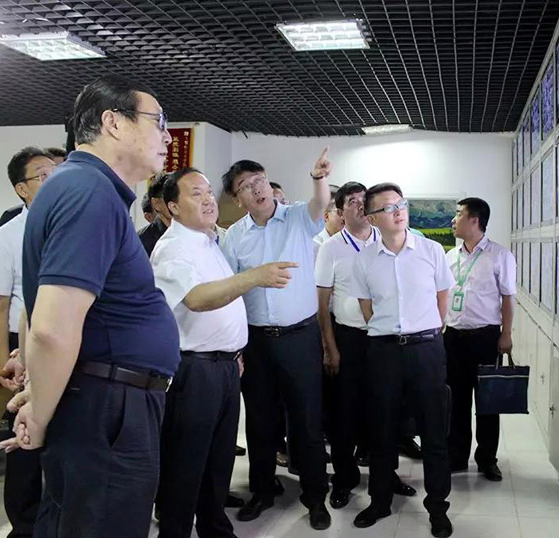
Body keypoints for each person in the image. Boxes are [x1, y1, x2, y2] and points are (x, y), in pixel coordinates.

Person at [0, 75, 180, 538]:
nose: (167, 136)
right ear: (113, 122)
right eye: (158, 121)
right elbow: (52, 327)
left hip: (101, 399)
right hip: (109, 408)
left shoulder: (81, 188)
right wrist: (40, 414)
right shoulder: (89, 191)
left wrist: (40, 388)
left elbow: (38, 307)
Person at [151, 168, 296, 538]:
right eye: (195, 194)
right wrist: (254, 276)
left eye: (208, 192)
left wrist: (235, 349)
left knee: (218, 460)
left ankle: (215, 527)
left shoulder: (211, 240)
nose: (207, 200)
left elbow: (223, 299)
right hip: (194, 371)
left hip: (226, 366)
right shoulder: (173, 248)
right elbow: (197, 299)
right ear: (173, 207)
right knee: (186, 464)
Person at [221, 150, 332, 530]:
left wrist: (318, 178)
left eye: (260, 181)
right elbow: (230, 293)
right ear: (237, 199)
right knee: (260, 421)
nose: (256, 189)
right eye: (245, 187)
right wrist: (235, 347)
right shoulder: (234, 237)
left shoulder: (298, 218)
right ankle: (263, 491)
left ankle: (315, 497)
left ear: (269, 184)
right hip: (256, 342)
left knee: (307, 420)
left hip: (300, 337)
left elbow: (320, 204)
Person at [350, 182, 454, 538]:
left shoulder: (431, 250)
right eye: (388, 208)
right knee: (381, 430)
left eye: (401, 204)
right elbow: (367, 308)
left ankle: (437, 508)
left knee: (434, 432)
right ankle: (380, 501)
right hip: (383, 352)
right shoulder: (364, 259)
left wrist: (426, 329)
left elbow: (442, 299)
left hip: (426, 349)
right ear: (372, 217)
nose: (398, 212)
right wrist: (390, 333)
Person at [315, 181, 416, 510]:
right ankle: (344, 478)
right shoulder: (331, 248)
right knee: (344, 413)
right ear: (340, 211)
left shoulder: (385, 240)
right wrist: (330, 347)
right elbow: (322, 303)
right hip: (349, 338)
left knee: (386, 410)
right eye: (352, 202)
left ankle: (387, 474)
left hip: (385, 338)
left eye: (363, 201)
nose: (360, 206)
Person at [0, 147, 55, 538]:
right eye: (42, 175)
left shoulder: (68, 226)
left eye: (56, 172)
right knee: (25, 437)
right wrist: (4, 365)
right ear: (21, 189)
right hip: (21, 347)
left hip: (64, 341)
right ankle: (24, 524)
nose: (53, 179)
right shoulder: (7, 238)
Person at [444, 197, 516, 481]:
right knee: (457, 401)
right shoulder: (450, 257)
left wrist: (506, 334)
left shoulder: (500, 256)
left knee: (487, 401)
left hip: (486, 337)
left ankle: (487, 459)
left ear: (474, 220)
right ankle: (457, 456)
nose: (453, 220)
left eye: (458, 214)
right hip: (454, 338)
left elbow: (508, 298)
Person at [138, 172, 173, 256]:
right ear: (156, 203)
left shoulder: (194, 231)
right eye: (170, 197)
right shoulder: (141, 241)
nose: (176, 202)